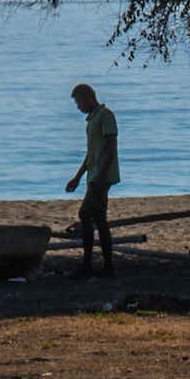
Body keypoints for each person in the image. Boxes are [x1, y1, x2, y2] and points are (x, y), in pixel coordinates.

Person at [66, 82, 120, 278]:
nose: (78, 107)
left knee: (84, 214)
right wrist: (78, 177)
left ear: (87, 98)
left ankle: (89, 265)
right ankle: (105, 266)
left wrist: (101, 176)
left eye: (78, 102)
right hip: (94, 175)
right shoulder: (92, 120)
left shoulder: (106, 116)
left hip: (102, 177)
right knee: (99, 219)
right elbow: (91, 154)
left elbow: (111, 148)